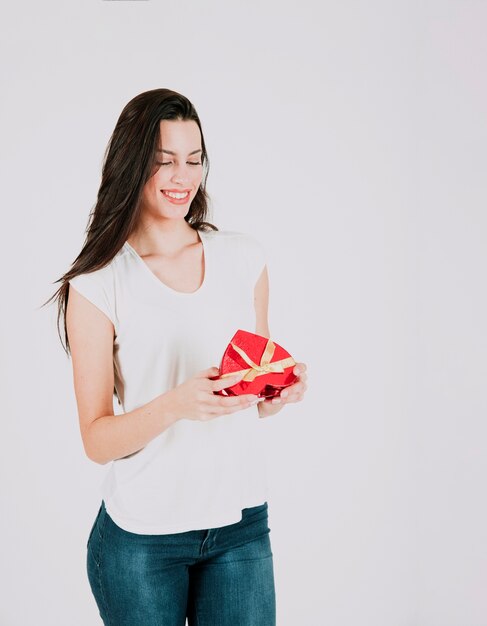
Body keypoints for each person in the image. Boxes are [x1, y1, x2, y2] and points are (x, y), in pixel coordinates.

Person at [46, 88, 308, 626]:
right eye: (164, 162)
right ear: (131, 164)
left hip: (239, 525)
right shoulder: (98, 284)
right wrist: (176, 404)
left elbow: (250, 395)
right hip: (142, 542)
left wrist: (276, 393)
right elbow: (96, 439)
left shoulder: (243, 258)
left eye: (194, 160)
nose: (182, 177)